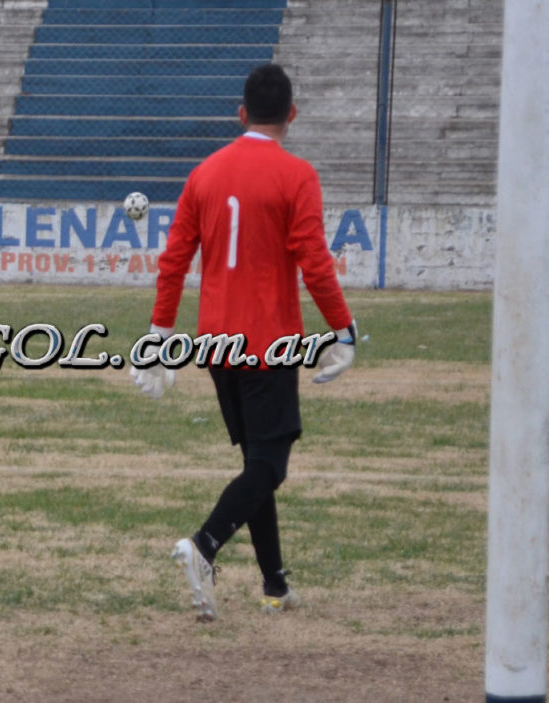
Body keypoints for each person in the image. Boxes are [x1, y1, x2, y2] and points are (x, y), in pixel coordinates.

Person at [130, 64, 357, 622]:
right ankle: (203, 545)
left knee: (257, 462)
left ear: (240, 114)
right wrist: (342, 329)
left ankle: (275, 584)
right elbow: (314, 260)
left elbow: (174, 261)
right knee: (269, 466)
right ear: (292, 115)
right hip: (268, 340)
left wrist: (159, 336)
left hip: (218, 344)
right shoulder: (296, 175)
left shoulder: (203, 173)